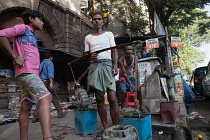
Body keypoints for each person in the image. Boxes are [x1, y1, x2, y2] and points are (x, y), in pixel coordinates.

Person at [0, 10, 53, 140]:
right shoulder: (22, 28)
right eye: (40, 19)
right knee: (46, 97)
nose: (42, 23)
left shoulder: (31, 34)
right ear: (31, 19)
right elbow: (1, 34)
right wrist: (14, 57)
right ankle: (47, 138)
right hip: (27, 72)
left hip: (30, 73)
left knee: (26, 106)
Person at [84, 11, 119, 138]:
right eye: (94, 19)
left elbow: (114, 50)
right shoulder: (88, 37)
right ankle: (106, 128)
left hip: (107, 65)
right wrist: (89, 56)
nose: (97, 21)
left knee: (113, 98)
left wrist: (115, 65)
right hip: (95, 66)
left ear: (102, 22)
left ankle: (116, 127)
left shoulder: (109, 34)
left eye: (99, 19)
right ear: (92, 22)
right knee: (99, 99)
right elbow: (86, 54)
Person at [32, 52, 67, 123]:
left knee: (40, 99)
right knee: (54, 97)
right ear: (50, 57)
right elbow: (50, 73)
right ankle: (60, 113)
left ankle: (35, 116)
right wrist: (51, 83)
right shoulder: (49, 63)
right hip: (47, 82)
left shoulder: (41, 64)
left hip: (41, 82)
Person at [118, 45, 143, 112]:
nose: (129, 51)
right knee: (124, 92)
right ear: (124, 51)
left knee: (139, 90)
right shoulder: (121, 60)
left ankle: (141, 106)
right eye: (127, 49)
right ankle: (122, 106)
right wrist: (131, 85)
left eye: (130, 49)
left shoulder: (135, 58)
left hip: (132, 75)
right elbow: (124, 73)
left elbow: (137, 71)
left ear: (132, 51)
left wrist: (138, 83)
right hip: (123, 76)